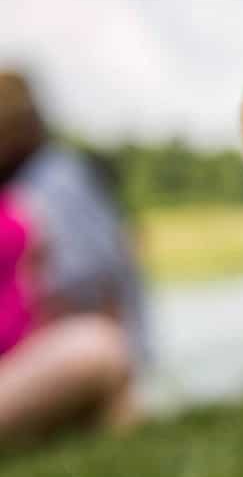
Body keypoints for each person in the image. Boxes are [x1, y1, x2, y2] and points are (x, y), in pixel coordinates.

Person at [0, 71, 147, 443]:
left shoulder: (44, 181)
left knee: (102, 352)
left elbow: (93, 274)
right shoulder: (45, 181)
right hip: (53, 350)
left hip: (44, 348)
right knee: (98, 347)